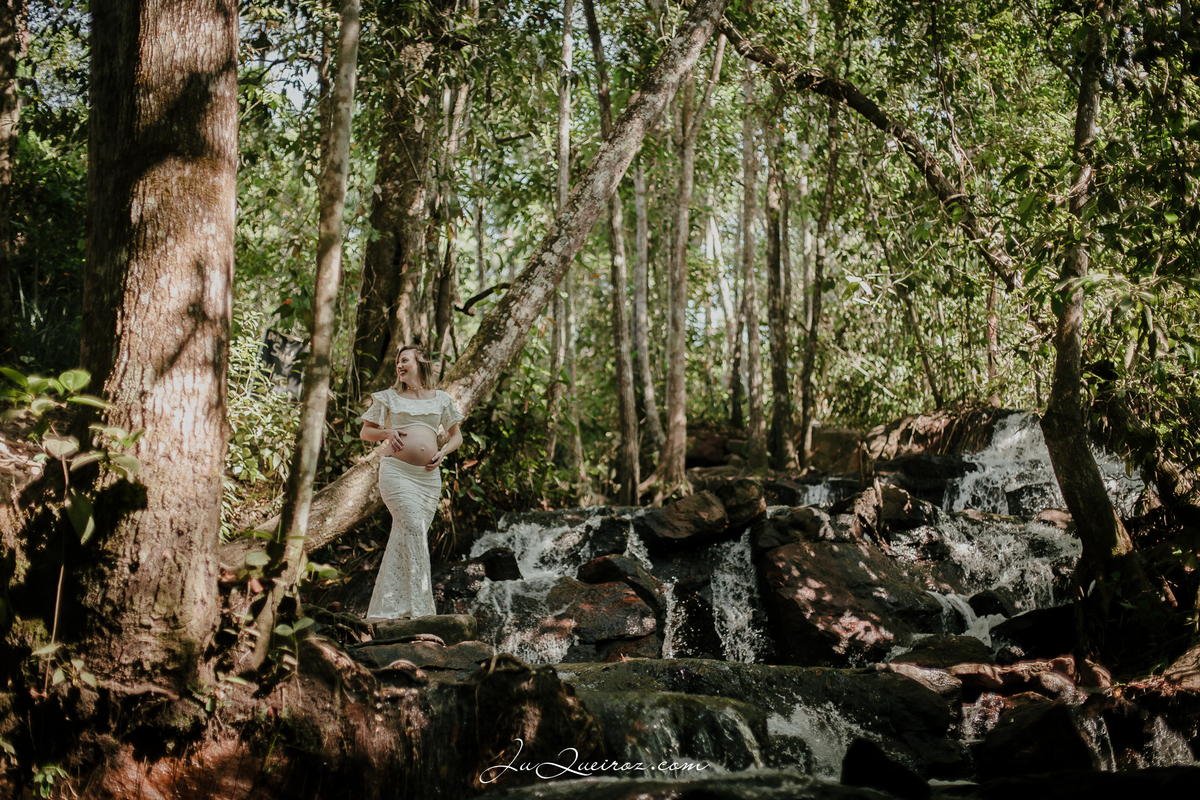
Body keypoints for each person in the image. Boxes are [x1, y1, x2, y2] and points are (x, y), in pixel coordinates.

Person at [359, 345, 463, 620]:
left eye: (404, 360)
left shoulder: (440, 399)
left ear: (419, 362)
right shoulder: (390, 397)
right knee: (414, 528)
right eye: (396, 362)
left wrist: (442, 452)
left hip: (428, 480)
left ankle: (388, 610)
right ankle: (421, 611)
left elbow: (456, 437)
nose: (399, 365)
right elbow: (365, 432)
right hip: (396, 473)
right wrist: (388, 431)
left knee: (405, 537)